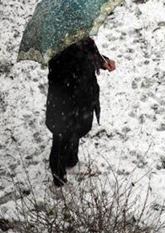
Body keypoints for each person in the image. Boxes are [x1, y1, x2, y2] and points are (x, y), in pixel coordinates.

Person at [46, 37, 115, 186]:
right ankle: (58, 182)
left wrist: (103, 62)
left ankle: (71, 162)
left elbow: (89, 53)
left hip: (82, 98)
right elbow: (64, 69)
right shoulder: (57, 44)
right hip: (64, 101)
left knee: (75, 130)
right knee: (60, 139)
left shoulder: (82, 38)